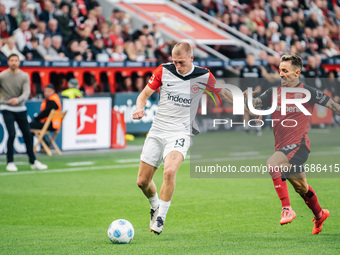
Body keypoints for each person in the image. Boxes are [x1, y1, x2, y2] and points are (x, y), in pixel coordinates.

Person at [132, 42, 233, 235]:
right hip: (157, 131)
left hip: (180, 132)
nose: (178, 66)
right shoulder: (163, 70)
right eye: (175, 62)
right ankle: (155, 207)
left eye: (181, 62)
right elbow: (143, 95)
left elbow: (223, 93)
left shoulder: (203, 75)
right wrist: (139, 108)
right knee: (142, 182)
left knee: (169, 172)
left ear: (191, 59)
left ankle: (161, 217)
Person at [250, 54, 340, 234]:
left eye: (285, 70)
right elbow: (254, 104)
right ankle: (320, 214)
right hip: (283, 147)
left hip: (299, 145)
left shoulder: (309, 93)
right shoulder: (273, 93)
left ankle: (287, 209)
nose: (281, 74)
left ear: (296, 72)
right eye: (279, 70)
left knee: (272, 164)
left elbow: (335, 106)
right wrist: (247, 102)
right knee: (302, 188)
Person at [0, 54, 48, 172]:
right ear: (8, 62)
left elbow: (26, 93)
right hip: (7, 108)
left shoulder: (24, 76)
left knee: (27, 134)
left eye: (16, 60)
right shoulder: (2, 76)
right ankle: (10, 162)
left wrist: (19, 99)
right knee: (11, 134)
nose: (14, 62)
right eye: (12, 60)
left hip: (20, 108)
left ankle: (33, 161)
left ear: (19, 62)